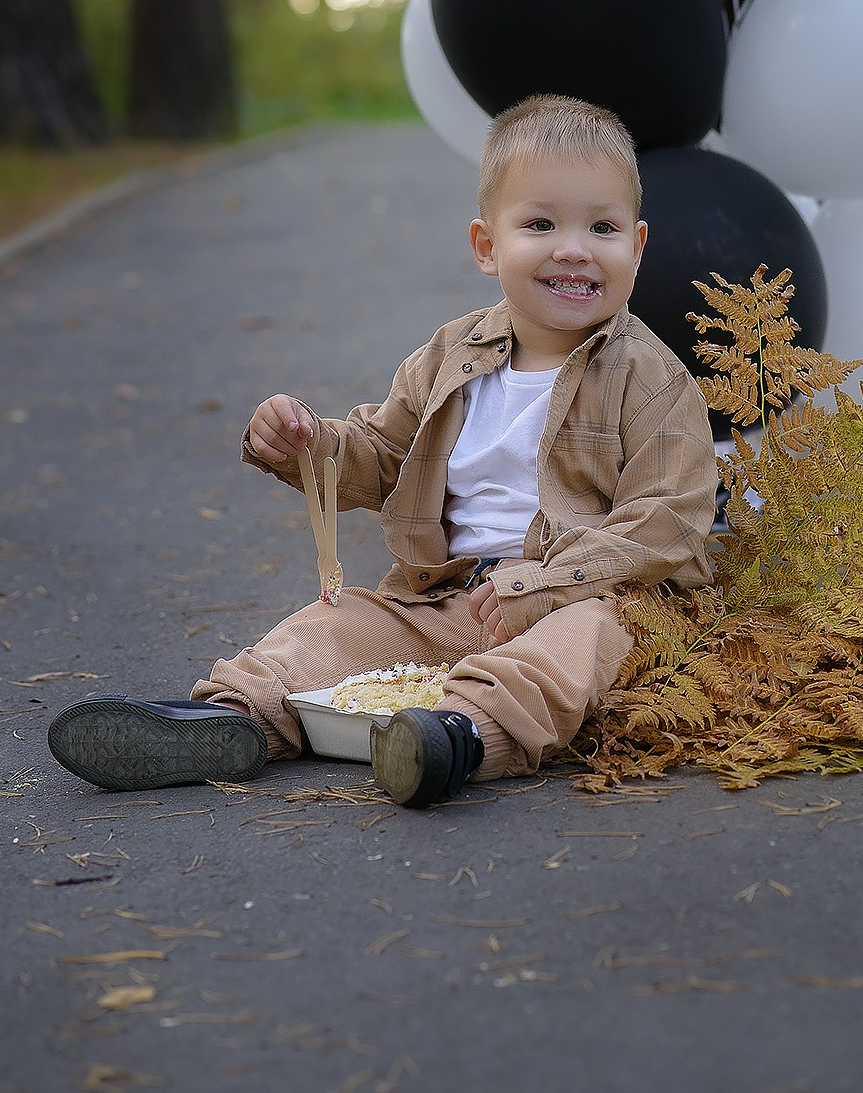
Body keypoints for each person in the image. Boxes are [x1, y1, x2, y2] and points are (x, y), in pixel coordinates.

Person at [48, 94, 718, 807]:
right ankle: (232, 719)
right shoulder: (451, 356)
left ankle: (455, 738)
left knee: (579, 647)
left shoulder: (652, 378)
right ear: (487, 246)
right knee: (335, 626)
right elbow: (384, 454)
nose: (574, 247)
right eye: (541, 223)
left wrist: (541, 585)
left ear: (637, 248)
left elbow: (667, 521)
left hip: (587, 598)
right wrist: (306, 444)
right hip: (450, 598)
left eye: (603, 227)